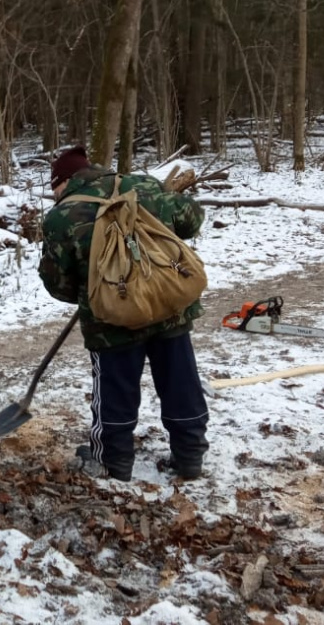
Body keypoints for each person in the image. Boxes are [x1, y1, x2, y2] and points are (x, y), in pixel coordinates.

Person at [37, 145, 209, 482]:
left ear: (65, 180)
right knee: (180, 381)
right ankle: (190, 456)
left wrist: (97, 293)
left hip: (111, 321)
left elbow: (57, 285)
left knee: (115, 390)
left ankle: (114, 462)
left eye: (54, 187)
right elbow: (192, 221)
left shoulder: (61, 217)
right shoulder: (143, 186)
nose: (54, 194)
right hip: (167, 304)